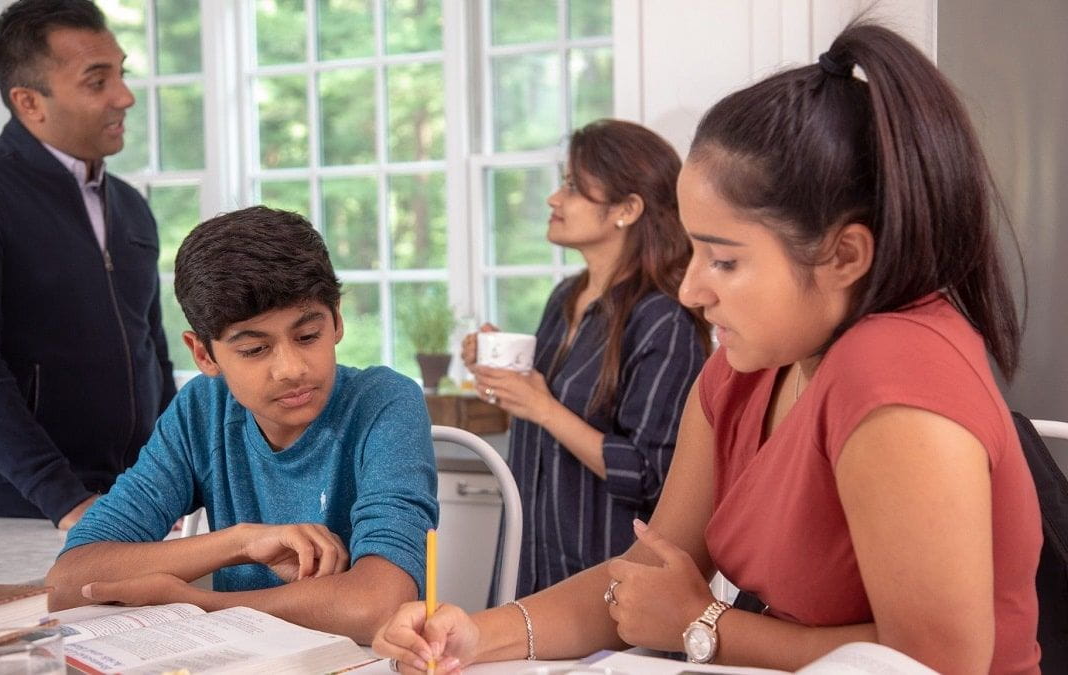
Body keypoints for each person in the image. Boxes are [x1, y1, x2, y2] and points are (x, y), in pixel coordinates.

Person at [374, 22, 1041, 674]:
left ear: (844, 255)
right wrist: (474, 633)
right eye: (694, 249)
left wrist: (705, 624)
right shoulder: (743, 369)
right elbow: (641, 585)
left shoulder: (896, 371)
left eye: (723, 260)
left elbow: (935, 662)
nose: (692, 289)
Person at [44, 206, 439, 644]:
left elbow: (376, 606)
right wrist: (242, 542)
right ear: (204, 355)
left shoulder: (385, 403)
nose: (291, 369)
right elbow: (68, 581)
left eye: (308, 336)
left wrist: (202, 604)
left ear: (337, 320)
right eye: (254, 349)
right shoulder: (202, 409)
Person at [0, 0, 175, 528]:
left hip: (127, 503)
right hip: (15, 506)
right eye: (97, 82)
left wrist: (167, 480)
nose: (125, 96)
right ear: (29, 102)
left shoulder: (131, 207)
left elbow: (153, 355)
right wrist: (65, 500)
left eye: (121, 73)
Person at [462, 119, 708, 597]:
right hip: (529, 561)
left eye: (573, 187)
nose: (554, 199)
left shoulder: (664, 320)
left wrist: (543, 408)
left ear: (627, 209)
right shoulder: (565, 298)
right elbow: (542, 416)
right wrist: (499, 373)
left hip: (608, 583)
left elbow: (651, 477)